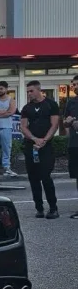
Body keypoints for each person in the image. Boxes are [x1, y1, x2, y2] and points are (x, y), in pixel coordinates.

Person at [20, 81, 60, 219]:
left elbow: (54, 125)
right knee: (33, 178)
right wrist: (34, 139)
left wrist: (44, 140)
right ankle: (39, 208)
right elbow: (23, 127)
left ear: (38, 90)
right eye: (28, 91)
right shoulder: (26, 108)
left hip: (46, 147)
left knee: (46, 177)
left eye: (31, 91)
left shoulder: (50, 104)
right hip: (31, 146)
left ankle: (53, 208)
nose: (29, 93)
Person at [63, 74, 78, 219]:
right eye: (74, 84)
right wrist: (67, 122)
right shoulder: (71, 102)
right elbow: (65, 121)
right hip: (74, 144)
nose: (75, 87)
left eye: (77, 84)